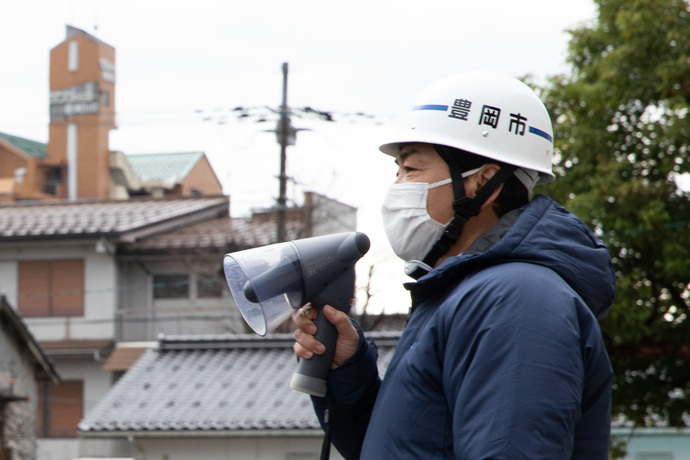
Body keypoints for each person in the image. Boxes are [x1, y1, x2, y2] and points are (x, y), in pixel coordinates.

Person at [293, 71, 616, 459]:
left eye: (411, 170)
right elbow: (405, 448)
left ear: (482, 181)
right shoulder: (461, 294)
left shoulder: (516, 301)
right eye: (396, 172)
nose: (397, 188)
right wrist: (349, 373)